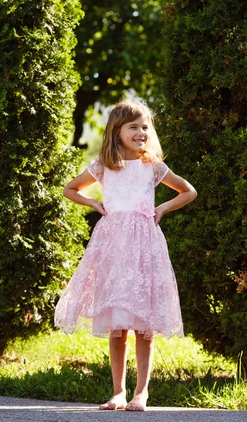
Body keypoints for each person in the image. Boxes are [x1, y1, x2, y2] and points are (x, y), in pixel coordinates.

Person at [54, 99, 197, 411]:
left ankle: (141, 392)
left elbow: (188, 191)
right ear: (116, 132)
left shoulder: (152, 166)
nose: (141, 132)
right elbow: (70, 189)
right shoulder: (105, 166)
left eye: (145, 126)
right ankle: (118, 392)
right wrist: (94, 204)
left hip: (145, 246)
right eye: (133, 127)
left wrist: (161, 208)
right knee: (117, 325)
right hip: (113, 248)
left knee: (144, 325)